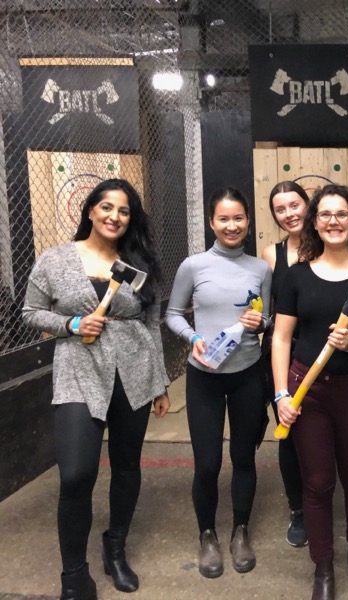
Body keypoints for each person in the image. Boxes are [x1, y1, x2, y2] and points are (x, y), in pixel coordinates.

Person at [22, 179, 170, 600]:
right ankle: (73, 575)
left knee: (126, 466)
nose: (114, 216)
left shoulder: (138, 264)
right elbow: (31, 311)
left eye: (123, 211)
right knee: (75, 475)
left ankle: (115, 548)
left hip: (135, 371)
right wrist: (70, 324)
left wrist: (158, 381)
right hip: (78, 370)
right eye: (106, 207)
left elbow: (151, 323)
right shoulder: (55, 260)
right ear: (90, 210)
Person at [273, 184, 348, 600]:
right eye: (324, 214)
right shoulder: (296, 275)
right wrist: (280, 395)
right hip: (307, 390)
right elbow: (281, 339)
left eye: (341, 213)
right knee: (318, 480)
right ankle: (323, 566)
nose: (333, 221)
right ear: (314, 223)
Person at [166, 187, 271, 579]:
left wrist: (262, 322)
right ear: (212, 222)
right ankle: (207, 534)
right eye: (224, 218)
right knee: (207, 463)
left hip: (247, 374)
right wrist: (194, 338)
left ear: (248, 221)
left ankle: (240, 531)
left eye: (239, 217)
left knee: (244, 457)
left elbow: (272, 321)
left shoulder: (260, 268)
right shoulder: (193, 266)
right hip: (204, 376)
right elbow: (174, 313)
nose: (232, 225)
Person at [261, 180, 309, 547]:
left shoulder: (330, 244)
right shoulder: (271, 253)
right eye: (281, 209)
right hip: (284, 353)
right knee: (289, 430)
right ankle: (299, 508)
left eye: (295, 205)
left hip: (326, 351)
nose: (290, 213)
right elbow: (266, 311)